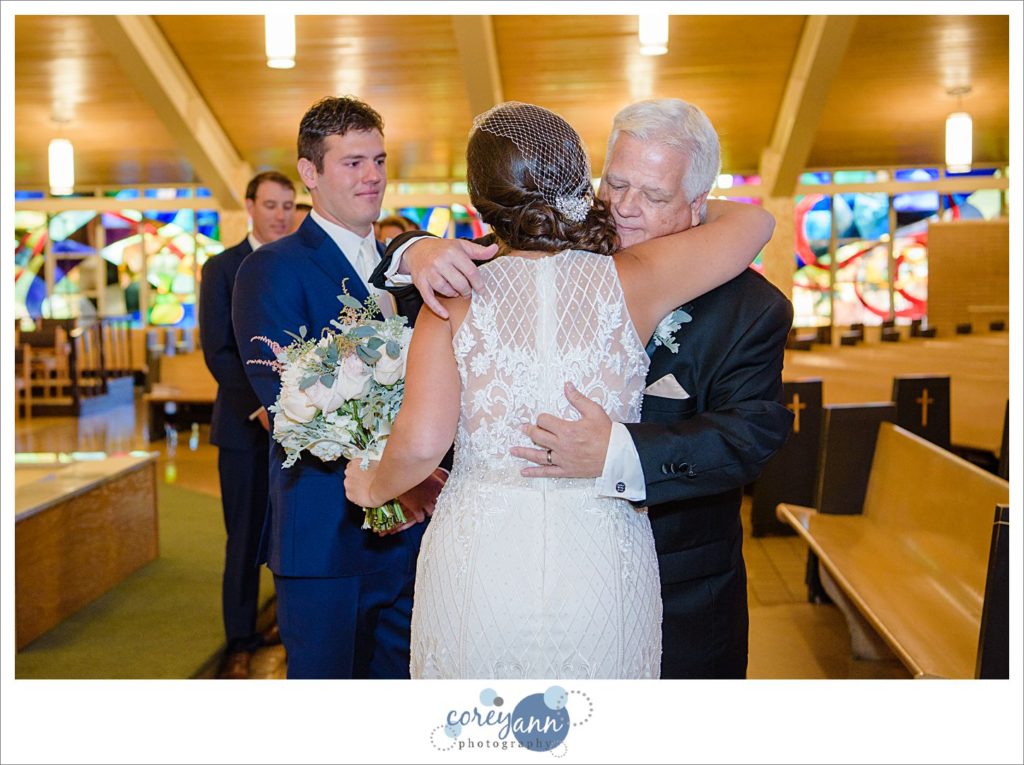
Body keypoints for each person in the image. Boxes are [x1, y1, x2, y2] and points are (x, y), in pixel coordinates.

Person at [344, 101, 774, 679]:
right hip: (568, 551)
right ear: (583, 181)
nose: (624, 206)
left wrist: (374, 486)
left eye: (653, 194)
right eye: (615, 184)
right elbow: (755, 221)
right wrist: (416, 246)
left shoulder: (461, 295)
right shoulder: (623, 275)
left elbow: (752, 436)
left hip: (600, 568)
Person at [231, 97, 450, 679]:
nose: (373, 175)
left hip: (410, 539)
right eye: (353, 162)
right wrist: (400, 472)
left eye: (378, 160)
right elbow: (288, 400)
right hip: (325, 539)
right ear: (311, 172)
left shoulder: (402, 271)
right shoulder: (273, 268)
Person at [198, 170, 295, 679]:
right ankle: (238, 639)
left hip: (300, 426)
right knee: (242, 538)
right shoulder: (221, 268)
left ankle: (282, 618)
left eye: (288, 205)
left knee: (287, 528)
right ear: (250, 206)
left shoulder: (295, 262)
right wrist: (259, 408)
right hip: (243, 427)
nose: (281, 214)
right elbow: (218, 349)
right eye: (271, 205)